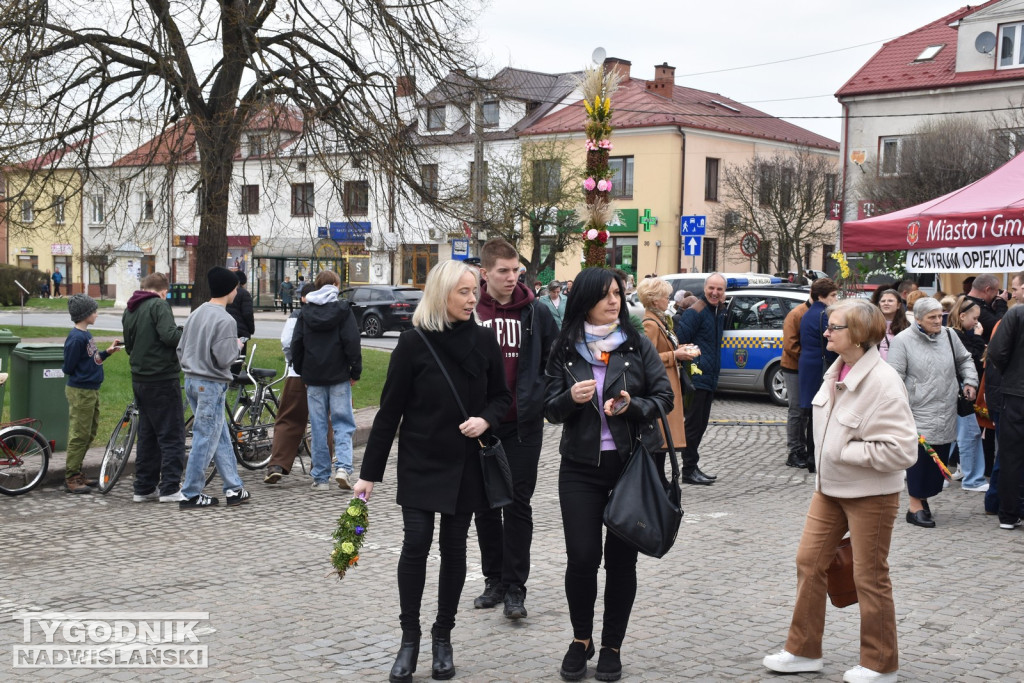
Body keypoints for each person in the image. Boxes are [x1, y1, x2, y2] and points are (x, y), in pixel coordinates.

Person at [355, 260, 511, 683]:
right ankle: (410, 639)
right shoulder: (413, 343)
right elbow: (389, 414)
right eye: (462, 291)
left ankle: (443, 636)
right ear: (441, 293)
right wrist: (368, 474)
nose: (471, 298)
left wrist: (485, 420)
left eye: (473, 291)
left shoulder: (484, 341)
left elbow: (502, 398)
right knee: (416, 544)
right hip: (421, 461)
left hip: (466, 465)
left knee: (455, 550)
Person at [763, 299, 917, 683]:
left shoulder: (883, 382)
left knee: (869, 576)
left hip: (871, 495)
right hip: (829, 489)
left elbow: (903, 449)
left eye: (834, 327)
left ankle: (881, 664)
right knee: (809, 562)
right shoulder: (836, 370)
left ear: (860, 334)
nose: (825, 332)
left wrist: (846, 451)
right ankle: (802, 651)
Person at [544, 267, 673, 682]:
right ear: (585, 301)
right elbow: (547, 408)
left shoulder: (636, 345)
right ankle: (581, 640)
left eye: (618, 293)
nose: (614, 301)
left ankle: (612, 646)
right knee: (582, 558)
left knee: (621, 562)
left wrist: (633, 405)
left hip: (629, 467)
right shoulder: (564, 348)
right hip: (580, 469)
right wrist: (569, 398)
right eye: (605, 295)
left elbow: (664, 397)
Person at [469, 238, 558, 620]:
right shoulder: (472, 310)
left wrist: (540, 397)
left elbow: (556, 361)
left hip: (522, 425)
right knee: (485, 505)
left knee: (518, 504)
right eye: (502, 270)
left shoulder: (536, 313)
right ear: (485, 272)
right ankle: (494, 580)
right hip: (480, 424)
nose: (510, 277)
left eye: (515, 269)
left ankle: (516, 587)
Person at [887, 297, 977, 528]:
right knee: (920, 459)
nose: (938, 321)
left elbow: (964, 360)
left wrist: (970, 381)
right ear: (917, 319)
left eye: (940, 316)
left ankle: (923, 498)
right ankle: (914, 506)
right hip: (917, 410)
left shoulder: (949, 335)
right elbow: (894, 377)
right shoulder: (903, 341)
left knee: (938, 457)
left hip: (946, 407)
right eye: (932, 317)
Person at [176, 267, 252, 509]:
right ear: (231, 289)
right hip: (210, 383)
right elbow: (224, 358)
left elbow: (180, 348)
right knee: (205, 437)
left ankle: (234, 487)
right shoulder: (226, 319)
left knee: (218, 436)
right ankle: (190, 492)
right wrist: (238, 346)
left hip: (191, 379)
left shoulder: (196, 313)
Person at [291, 270, 362, 490]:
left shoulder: (305, 312)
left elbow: (297, 344)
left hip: (313, 376)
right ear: (335, 285)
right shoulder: (343, 309)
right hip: (339, 374)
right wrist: (355, 371)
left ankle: (320, 477)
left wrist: (302, 371)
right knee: (342, 423)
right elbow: (352, 341)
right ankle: (342, 467)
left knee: (319, 426)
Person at [121, 273, 186, 503]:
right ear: (163, 291)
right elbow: (170, 337)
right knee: (171, 433)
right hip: (162, 378)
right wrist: (183, 333)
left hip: (139, 378)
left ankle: (144, 487)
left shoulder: (129, 309)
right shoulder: (159, 305)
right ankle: (169, 487)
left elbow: (129, 345)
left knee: (147, 435)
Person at [264, 283, 334, 483]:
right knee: (323, 421)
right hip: (324, 375)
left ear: (304, 298)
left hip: (297, 374)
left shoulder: (298, 315)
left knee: (288, 419)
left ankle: (277, 464)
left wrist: (295, 361)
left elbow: (287, 342)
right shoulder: (333, 313)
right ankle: (321, 467)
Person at [62, 294, 121, 493]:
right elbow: (69, 367)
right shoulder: (76, 338)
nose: (97, 313)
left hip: (91, 390)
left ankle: (77, 472)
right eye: (94, 311)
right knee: (80, 434)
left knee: (90, 431)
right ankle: (71, 476)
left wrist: (106, 353)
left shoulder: (86, 335)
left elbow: (92, 359)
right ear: (85, 314)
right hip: (81, 391)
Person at [675, 273, 727, 485]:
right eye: (711, 288)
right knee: (694, 426)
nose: (715, 293)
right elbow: (680, 342)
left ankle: (692, 466)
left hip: (709, 377)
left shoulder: (718, 311)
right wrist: (692, 365)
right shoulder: (695, 312)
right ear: (705, 289)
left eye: (719, 289)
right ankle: (688, 469)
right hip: (696, 377)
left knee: (701, 424)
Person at [638, 277, 694, 474]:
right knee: (660, 441)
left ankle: (660, 484)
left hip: (668, 382)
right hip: (660, 386)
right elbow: (646, 358)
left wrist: (679, 348)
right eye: (665, 297)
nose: (668, 300)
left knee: (664, 443)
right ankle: (658, 487)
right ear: (655, 300)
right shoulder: (650, 323)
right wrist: (674, 355)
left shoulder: (660, 319)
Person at [987, 274, 1024, 530]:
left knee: (1011, 454)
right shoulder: (1016, 314)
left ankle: (1009, 513)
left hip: (1016, 393)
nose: (1011, 293)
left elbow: (997, 353)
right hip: (1015, 390)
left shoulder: (1016, 315)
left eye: (1014, 288)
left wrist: (1010, 374)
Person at [947, 297, 988, 492]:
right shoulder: (958, 335)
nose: (976, 322)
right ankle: (973, 479)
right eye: (975, 318)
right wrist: (979, 337)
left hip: (955, 387)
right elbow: (971, 359)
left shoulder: (954, 334)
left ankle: (947, 474)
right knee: (970, 434)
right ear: (962, 316)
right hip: (961, 388)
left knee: (952, 434)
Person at [798, 279, 839, 469]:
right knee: (821, 411)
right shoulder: (824, 314)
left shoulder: (808, 313)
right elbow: (831, 344)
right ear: (821, 296)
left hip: (809, 364)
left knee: (813, 412)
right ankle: (814, 457)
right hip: (820, 366)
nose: (835, 299)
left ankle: (810, 456)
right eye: (832, 295)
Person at [781, 295, 811, 468]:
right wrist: (809, 359)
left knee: (804, 410)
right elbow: (790, 344)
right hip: (793, 367)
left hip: (805, 366)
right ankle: (794, 451)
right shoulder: (796, 314)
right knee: (796, 409)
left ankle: (802, 447)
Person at [226, 270, 255, 376]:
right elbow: (248, 313)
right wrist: (251, 329)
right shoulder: (244, 293)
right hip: (240, 330)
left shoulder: (226, 292)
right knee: (239, 355)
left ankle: (227, 375)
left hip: (227, 328)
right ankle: (235, 378)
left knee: (228, 353)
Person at [965, 273, 1009, 342]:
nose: (997, 294)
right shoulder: (973, 307)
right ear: (987, 289)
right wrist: (1001, 303)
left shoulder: (966, 301)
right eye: (996, 291)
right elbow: (1000, 327)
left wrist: (993, 308)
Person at [873, 289, 909, 361]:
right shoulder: (871, 326)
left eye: (890, 301)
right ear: (879, 305)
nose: (886, 303)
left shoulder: (907, 327)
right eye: (883, 301)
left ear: (898, 305)